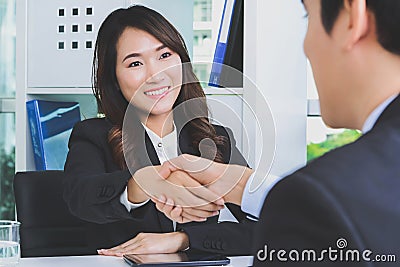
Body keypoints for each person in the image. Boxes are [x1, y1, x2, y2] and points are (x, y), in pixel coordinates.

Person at [155, 0, 400, 265]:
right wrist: (242, 185)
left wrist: (295, 199)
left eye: (308, 16)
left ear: (352, 18)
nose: (306, 48)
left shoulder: (324, 197)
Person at [63, 5, 254, 256]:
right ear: (114, 80)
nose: (155, 75)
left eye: (164, 56)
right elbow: (80, 198)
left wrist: (183, 239)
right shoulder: (93, 135)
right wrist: (146, 182)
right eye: (134, 63)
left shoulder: (216, 140)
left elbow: (268, 226)